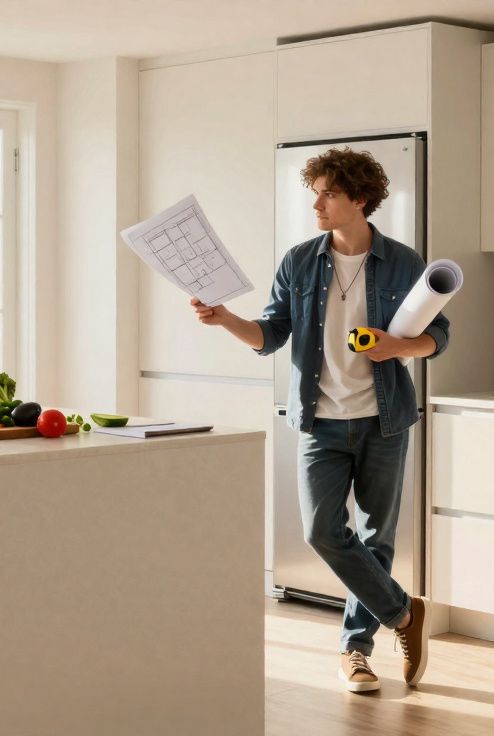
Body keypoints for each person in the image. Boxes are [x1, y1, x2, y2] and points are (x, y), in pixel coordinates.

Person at [191, 147, 450, 694]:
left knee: (376, 538)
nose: (317, 204)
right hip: (319, 421)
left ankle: (355, 653)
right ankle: (404, 614)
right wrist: (224, 320)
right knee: (321, 531)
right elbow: (270, 335)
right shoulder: (299, 260)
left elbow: (438, 338)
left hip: (384, 419)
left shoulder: (404, 262)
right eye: (316, 193)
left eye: (328, 193)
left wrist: (396, 345)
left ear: (359, 199)